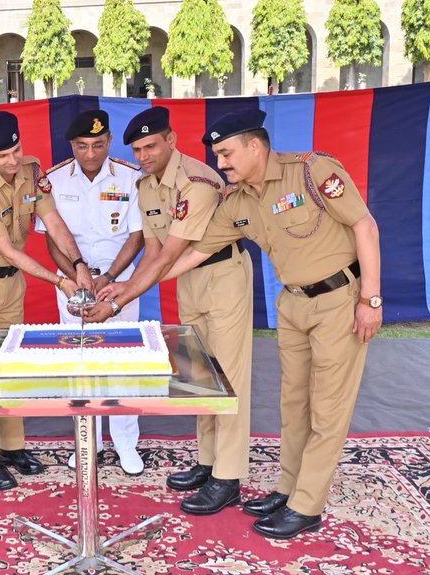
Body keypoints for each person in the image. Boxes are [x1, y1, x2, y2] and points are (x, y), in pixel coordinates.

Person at [159, 109, 382, 540]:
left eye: (227, 153)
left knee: (328, 408)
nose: (221, 163)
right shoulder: (238, 202)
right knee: (293, 404)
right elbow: (193, 254)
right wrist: (129, 287)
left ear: (255, 146)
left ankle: (307, 504)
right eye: (218, 156)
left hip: (340, 300)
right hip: (292, 305)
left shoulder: (313, 170)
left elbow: (363, 224)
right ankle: (287, 488)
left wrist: (371, 299)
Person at [91, 106, 254, 516]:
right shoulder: (146, 185)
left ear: (171, 140)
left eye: (150, 146)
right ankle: (208, 461)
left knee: (230, 378)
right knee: (202, 374)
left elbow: (174, 253)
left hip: (223, 276)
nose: (143, 155)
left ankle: (228, 477)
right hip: (188, 281)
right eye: (137, 149)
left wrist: (119, 298)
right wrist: (123, 283)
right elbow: (154, 250)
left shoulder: (198, 182)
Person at [0, 110, 94, 489]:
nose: (13, 161)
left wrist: (79, 263)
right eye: (3, 157)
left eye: (16, 150)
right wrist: (59, 279)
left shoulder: (32, 170)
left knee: (9, 366)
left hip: (11, 283)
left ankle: (14, 448)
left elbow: (54, 222)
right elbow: (8, 250)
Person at [35, 109, 146, 474]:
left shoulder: (131, 178)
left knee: (123, 362)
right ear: (72, 145)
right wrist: (75, 276)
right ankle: (89, 441)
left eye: (98, 144)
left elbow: (137, 235)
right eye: (82, 146)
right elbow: (53, 238)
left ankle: (126, 442)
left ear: (110, 141)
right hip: (71, 281)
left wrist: (111, 275)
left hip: (120, 282)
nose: (91, 153)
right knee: (78, 361)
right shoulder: (53, 180)